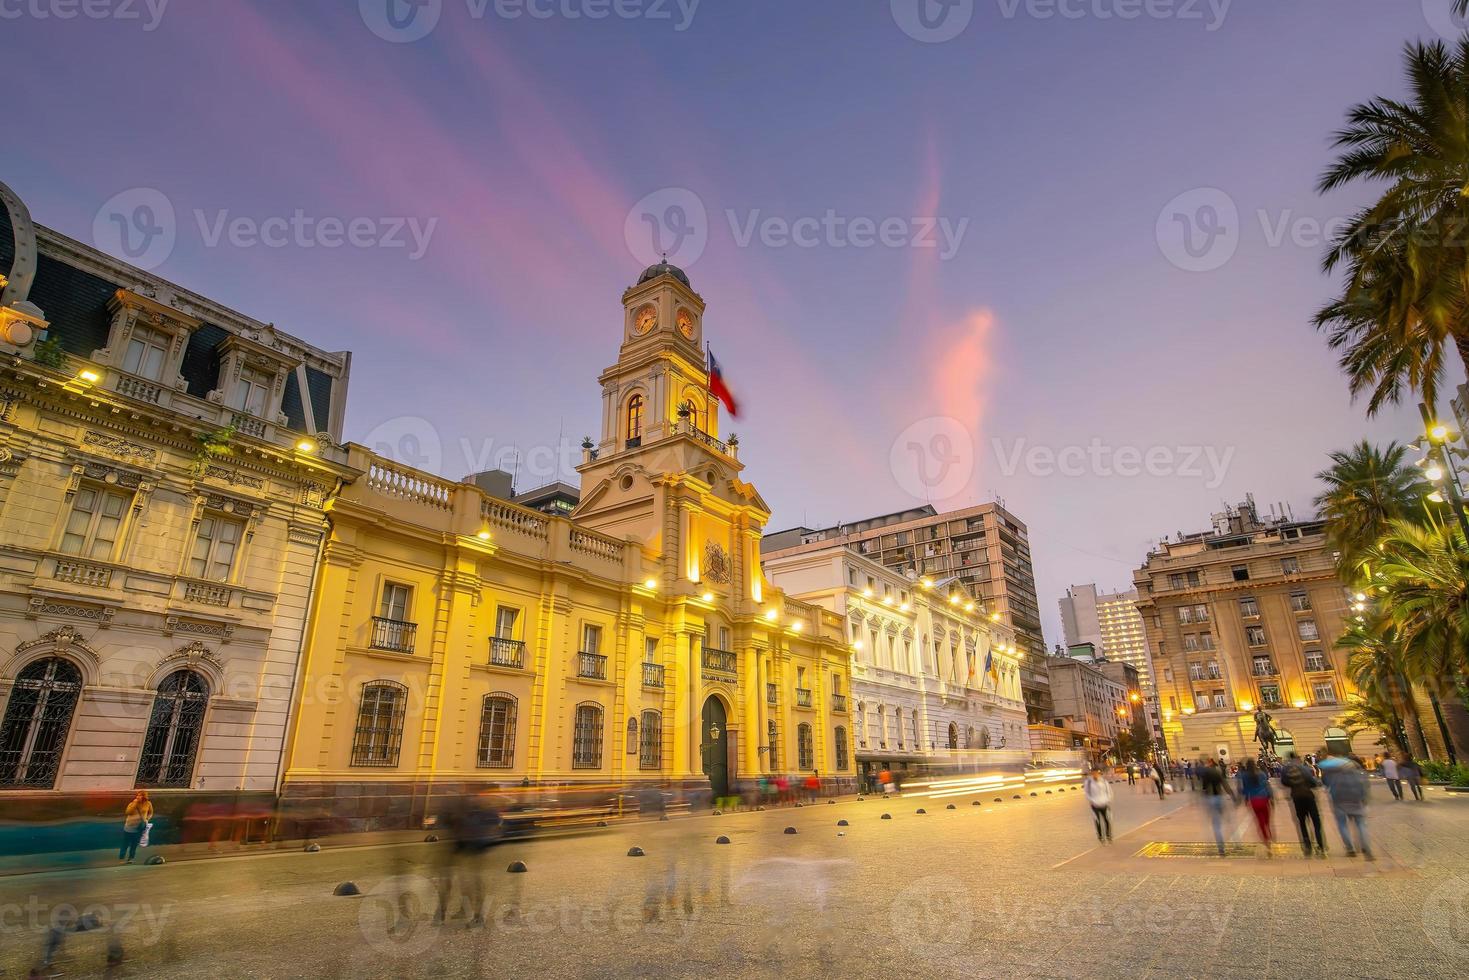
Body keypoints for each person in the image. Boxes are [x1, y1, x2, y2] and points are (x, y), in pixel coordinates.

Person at [1318, 749, 1373, 860]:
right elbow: (1363, 782)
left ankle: (1350, 849)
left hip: (1338, 799)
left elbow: (1324, 783)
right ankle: (1366, 848)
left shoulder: (1329, 771)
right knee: (1361, 825)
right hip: (1356, 799)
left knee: (1342, 825)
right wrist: (1365, 797)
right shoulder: (1354, 768)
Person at [1279, 752, 1326, 857]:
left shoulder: (1286, 769)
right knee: (1316, 822)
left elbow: (1283, 782)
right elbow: (1312, 781)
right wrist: (1314, 784)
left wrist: (1293, 785)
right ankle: (1321, 845)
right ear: (1297, 758)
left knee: (1302, 822)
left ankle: (1307, 845)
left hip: (1296, 797)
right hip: (1308, 796)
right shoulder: (1304, 768)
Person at [1198, 759, 1237, 856]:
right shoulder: (1218, 772)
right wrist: (1232, 796)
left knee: (1216, 825)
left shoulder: (1206, 774)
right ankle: (1237, 842)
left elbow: (1203, 789)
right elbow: (1225, 785)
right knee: (1229, 821)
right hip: (1220, 798)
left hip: (1210, 800)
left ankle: (1221, 848)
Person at [1238, 759, 1274, 852]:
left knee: (1259, 820)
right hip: (1264, 799)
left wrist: (1246, 799)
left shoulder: (1244, 776)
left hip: (1254, 801)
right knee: (1266, 819)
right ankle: (1269, 833)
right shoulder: (1261, 774)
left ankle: (1266, 840)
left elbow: (1245, 789)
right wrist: (1271, 797)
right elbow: (1267, 786)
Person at [120, 790, 153, 864]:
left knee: (134, 844)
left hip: (139, 827)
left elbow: (150, 812)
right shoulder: (132, 803)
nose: (138, 797)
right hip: (129, 826)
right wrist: (135, 803)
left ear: (144, 796)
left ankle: (131, 858)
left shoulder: (148, 803)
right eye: (137, 795)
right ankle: (121, 857)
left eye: (140, 795)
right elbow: (128, 812)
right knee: (125, 843)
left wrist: (147, 819)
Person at [1084, 769, 1113, 843]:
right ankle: (1100, 836)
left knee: (1107, 820)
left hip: (1104, 804)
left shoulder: (1104, 782)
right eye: (1093, 773)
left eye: (1096, 773)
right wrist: (1091, 800)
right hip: (1095, 805)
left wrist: (1108, 800)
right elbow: (1087, 793)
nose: (1095, 775)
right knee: (1098, 821)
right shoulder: (1089, 782)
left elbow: (1109, 792)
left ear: (1099, 774)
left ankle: (1108, 835)